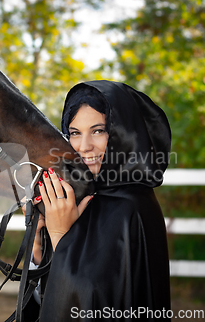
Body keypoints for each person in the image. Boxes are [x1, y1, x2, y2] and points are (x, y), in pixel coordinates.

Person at [29, 80, 172, 321]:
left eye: (98, 131)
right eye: (74, 133)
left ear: (125, 134)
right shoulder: (84, 195)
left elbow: (92, 307)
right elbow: (47, 301)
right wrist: (37, 247)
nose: (84, 147)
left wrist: (61, 238)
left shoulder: (132, 207)